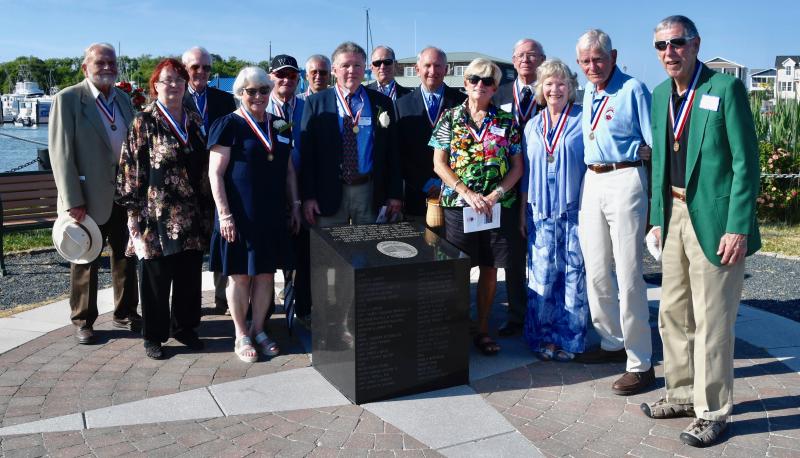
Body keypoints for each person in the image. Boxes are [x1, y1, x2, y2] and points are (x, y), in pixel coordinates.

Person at [640, 15, 761, 447]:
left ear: (695, 44)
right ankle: (680, 393)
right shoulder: (658, 96)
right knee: (672, 313)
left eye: (677, 43)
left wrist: (738, 227)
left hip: (715, 220)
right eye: (661, 46)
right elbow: (658, 163)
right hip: (672, 214)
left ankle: (713, 410)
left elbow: (747, 164)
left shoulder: (724, 89)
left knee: (712, 320)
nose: (669, 52)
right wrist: (656, 217)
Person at [574, 29, 655, 396]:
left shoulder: (633, 89)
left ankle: (641, 363)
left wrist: (645, 156)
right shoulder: (589, 89)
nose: (593, 66)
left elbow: (656, 142)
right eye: (586, 61)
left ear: (613, 56)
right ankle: (611, 342)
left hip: (624, 177)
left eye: (599, 59)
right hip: (592, 180)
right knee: (594, 269)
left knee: (628, 274)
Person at [116, 58, 212, 359]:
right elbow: (130, 170)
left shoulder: (194, 120)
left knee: (188, 275)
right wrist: (134, 218)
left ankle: (185, 327)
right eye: (167, 80)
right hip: (154, 216)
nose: (173, 85)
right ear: (155, 86)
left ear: (186, 85)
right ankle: (154, 336)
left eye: (179, 80)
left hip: (192, 214)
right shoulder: (144, 121)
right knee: (155, 278)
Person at [430, 58, 523, 356]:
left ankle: (482, 328)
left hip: (496, 207)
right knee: (457, 270)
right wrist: (466, 192)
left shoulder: (507, 122)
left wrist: (495, 194)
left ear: (496, 87)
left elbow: (517, 167)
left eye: (487, 81)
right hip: (460, 207)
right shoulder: (449, 118)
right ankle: (454, 330)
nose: (480, 85)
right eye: (474, 79)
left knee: (490, 268)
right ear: (465, 83)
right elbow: (439, 163)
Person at [208, 66, 301, 362]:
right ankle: (241, 333)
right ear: (240, 94)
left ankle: (259, 328)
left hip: (272, 213)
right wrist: (224, 214)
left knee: (264, 275)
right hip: (239, 216)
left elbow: (288, 169)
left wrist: (295, 204)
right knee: (240, 276)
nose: (259, 96)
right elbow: (215, 174)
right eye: (251, 91)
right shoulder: (228, 124)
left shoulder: (282, 125)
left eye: (263, 90)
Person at [48, 42, 139, 345]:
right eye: (100, 62)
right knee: (85, 259)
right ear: (85, 67)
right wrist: (73, 199)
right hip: (86, 198)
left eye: (112, 62)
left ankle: (125, 312)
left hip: (123, 196)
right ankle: (83, 320)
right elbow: (61, 154)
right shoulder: (70, 99)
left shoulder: (124, 99)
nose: (108, 67)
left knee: (126, 257)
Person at [520, 59, 587, 361]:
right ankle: (542, 338)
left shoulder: (583, 120)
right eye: (548, 83)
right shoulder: (532, 125)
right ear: (540, 88)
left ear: (570, 88)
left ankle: (570, 340)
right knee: (542, 276)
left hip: (575, 210)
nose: (554, 89)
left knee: (573, 277)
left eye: (561, 83)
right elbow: (525, 171)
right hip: (540, 213)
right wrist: (523, 210)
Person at [300, 42, 402, 227]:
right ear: (334, 70)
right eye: (345, 65)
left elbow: (392, 152)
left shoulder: (382, 103)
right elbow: (307, 156)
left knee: (370, 248)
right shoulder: (315, 103)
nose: (351, 70)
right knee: (330, 251)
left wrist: (394, 194)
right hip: (328, 191)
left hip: (369, 191)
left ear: (365, 69)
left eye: (357, 65)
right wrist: (308, 196)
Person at [491, 38, 546, 338]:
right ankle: (516, 313)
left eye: (532, 55)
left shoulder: (550, 91)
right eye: (521, 55)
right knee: (513, 252)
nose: (526, 60)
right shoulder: (498, 93)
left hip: (543, 182)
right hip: (508, 183)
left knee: (545, 251)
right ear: (513, 61)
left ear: (542, 59)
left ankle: (544, 311)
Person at [181, 46, 237, 315]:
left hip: (217, 181)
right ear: (185, 70)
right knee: (188, 248)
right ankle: (188, 305)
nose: (201, 72)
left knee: (221, 240)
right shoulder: (174, 97)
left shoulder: (224, 101)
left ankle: (223, 298)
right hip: (185, 183)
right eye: (195, 67)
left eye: (206, 68)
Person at [267, 54, 312, 324]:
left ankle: (302, 309)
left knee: (302, 255)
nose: (286, 80)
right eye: (280, 75)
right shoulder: (259, 107)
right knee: (269, 256)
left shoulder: (308, 107)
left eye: (292, 75)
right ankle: (264, 314)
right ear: (270, 76)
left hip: (302, 193)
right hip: (271, 193)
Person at [396, 47, 465, 218]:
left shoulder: (463, 102)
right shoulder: (400, 105)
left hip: (455, 193)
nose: (432, 71)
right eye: (427, 66)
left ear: (446, 70)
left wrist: (446, 182)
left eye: (438, 66)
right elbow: (398, 152)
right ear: (417, 69)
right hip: (416, 192)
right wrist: (424, 183)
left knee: (452, 244)